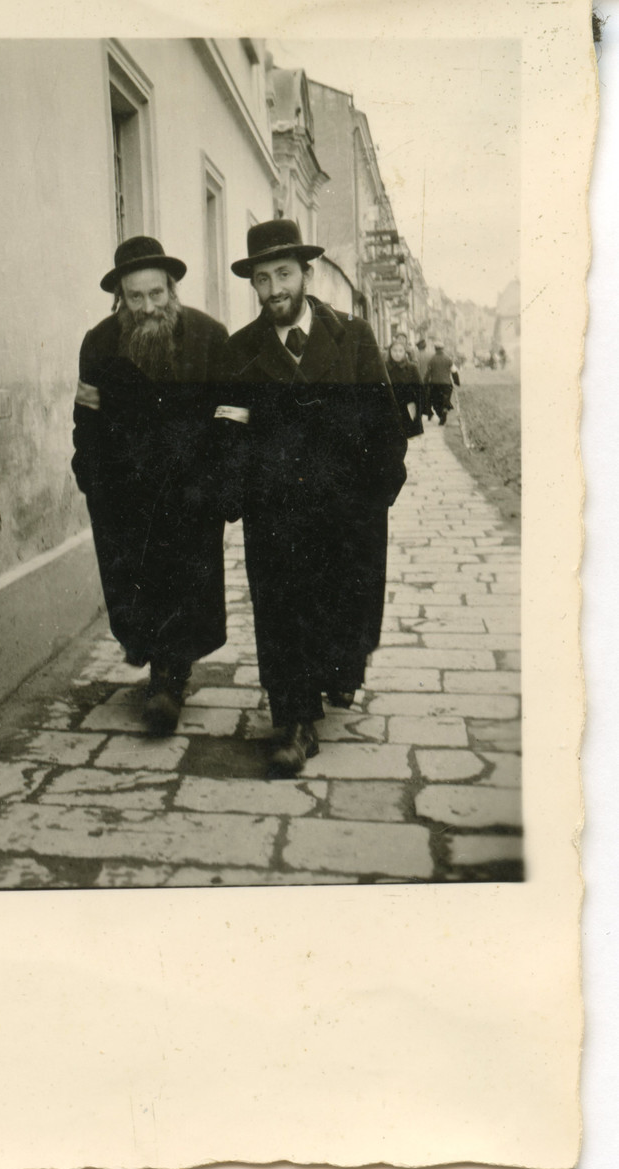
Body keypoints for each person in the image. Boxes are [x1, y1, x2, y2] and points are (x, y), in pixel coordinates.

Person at [216, 219, 407, 777]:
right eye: (261, 278)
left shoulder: (353, 337)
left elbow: (385, 424)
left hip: (348, 512)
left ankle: (340, 672)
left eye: (282, 273)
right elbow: (229, 429)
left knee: (348, 613)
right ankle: (295, 722)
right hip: (277, 516)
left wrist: (377, 494)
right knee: (281, 612)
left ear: (306, 272)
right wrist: (235, 491)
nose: (274, 288)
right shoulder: (241, 350)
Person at [72, 235, 229, 734]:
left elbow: (229, 416)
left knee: (186, 583)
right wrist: (91, 475)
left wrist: (218, 481)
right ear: (120, 298)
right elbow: (86, 419)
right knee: (136, 584)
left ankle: (169, 680)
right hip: (126, 493)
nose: (147, 308)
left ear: (172, 289)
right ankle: (153, 657)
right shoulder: (98, 344)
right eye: (134, 298)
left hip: (190, 490)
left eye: (156, 295)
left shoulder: (209, 337)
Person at [385, 337, 425, 438]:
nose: (397, 354)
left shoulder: (412, 368)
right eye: (394, 350)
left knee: (406, 439)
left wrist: (419, 413)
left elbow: (420, 390)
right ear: (390, 352)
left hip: (407, 409)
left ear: (405, 353)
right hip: (389, 410)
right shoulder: (384, 368)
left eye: (400, 351)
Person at [425, 343, 456, 424]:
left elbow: (428, 373)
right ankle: (445, 410)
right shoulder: (448, 359)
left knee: (436, 402)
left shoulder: (432, 359)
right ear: (443, 349)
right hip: (447, 384)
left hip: (435, 384)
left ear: (435, 349)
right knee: (445, 400)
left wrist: (426, 382)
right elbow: (454, 371)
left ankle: (441, 416)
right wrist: (457, 381)